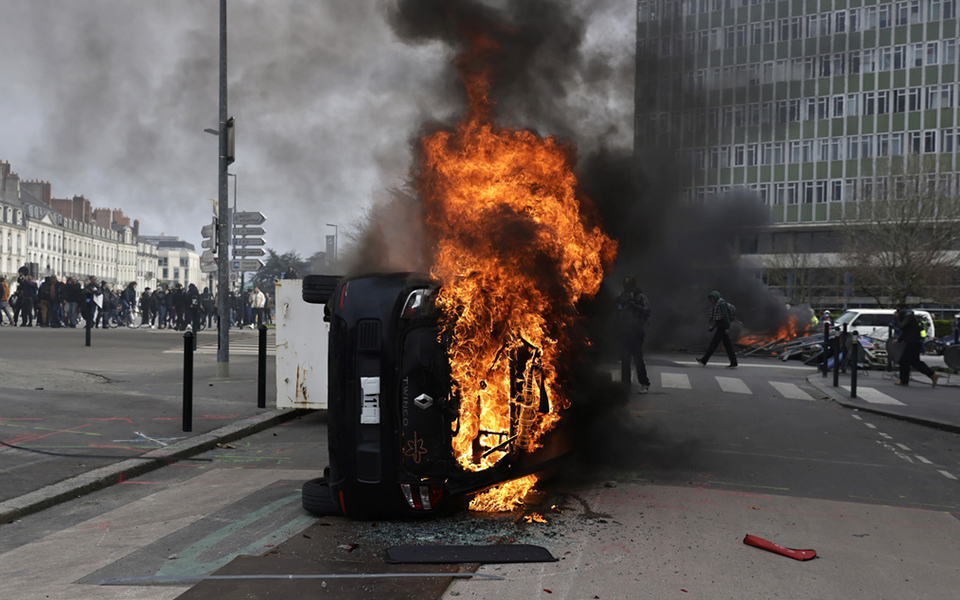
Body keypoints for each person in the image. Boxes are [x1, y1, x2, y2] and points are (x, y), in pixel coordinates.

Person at [616, 276, 651, 393]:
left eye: (630, 285)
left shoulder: (640, 297)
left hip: (636, 331)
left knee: (638, 359)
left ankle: (644, 383)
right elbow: (617, 310)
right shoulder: (622, 296)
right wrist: (619, 304)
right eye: (626, 284)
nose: (628, 287)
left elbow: (647, 311)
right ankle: (625, 384)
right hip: (624, 331)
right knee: (625, 359)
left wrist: (635, 306)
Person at [892, 304, 938, 387]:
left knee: (903, 361)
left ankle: (904, 380)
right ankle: (932, 374)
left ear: (904, 308)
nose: (897, 312)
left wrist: (896, 318)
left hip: (912, 342)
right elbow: (906, 331)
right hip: (913, 342)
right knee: (915, 362)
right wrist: (899, 339)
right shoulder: (907, 316)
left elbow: (902, 327)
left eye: (898, 310)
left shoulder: (908, 316)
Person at [696, 290, 739, 368]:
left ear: (717, 297)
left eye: (713, 298)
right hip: (721, 326)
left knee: (713, 344)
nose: (712, 300)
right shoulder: (716, 305)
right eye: (711, 298)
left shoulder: (721, 304)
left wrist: (727, 328)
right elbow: (718, 319)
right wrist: (713, 327)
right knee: (727, 346)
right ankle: (734, 363)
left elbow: (725, 317)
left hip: (722, 327)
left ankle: (704, 360)